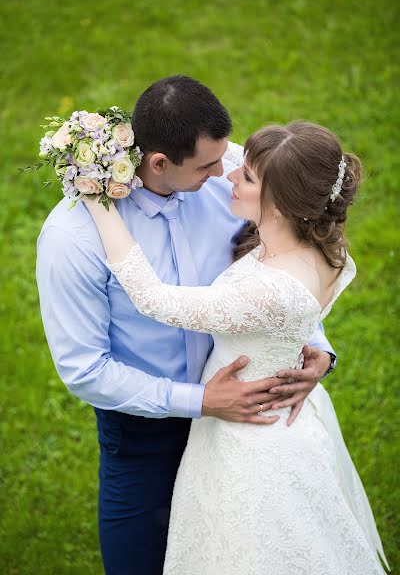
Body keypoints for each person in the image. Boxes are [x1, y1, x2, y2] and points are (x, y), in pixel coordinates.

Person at [36, 76, 337, 575]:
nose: (227, 171)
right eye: (208, 165)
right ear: (159, 163)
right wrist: (201, 402)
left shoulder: (241, 176)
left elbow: (290, 258)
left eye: (228, 158)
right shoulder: (73, 237)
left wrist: (316, 347)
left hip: (247, 432)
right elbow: (85, 368)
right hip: (144, 435)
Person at [82, 120, 389, 575]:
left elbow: (154, 298)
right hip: (287, 419)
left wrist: (98, 200)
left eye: (246, 176)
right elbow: (300, 311)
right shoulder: (331, 251)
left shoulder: (268, 292)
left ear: (281, 204)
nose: (229, 176)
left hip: (246, 441)